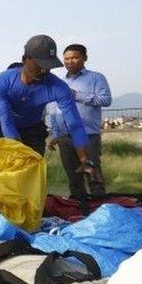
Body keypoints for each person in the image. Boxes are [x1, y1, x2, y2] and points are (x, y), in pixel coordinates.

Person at [0, 35, 100, 182]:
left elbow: (75, 124)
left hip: (34, 131)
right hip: (3, 130)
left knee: (31, 177)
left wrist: (84, 159)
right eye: (39, 65)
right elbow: (6, 121)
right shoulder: (1, 82)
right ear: (25, 59)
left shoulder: (58, 87)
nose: (44, 71)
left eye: (49, 66)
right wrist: (19, 155)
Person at [46, 43, 112, 201]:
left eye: (75, 57)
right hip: (65, 138)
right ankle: (78, 213)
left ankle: (100, 211)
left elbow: (106, 99)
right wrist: (55, 133)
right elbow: (53, 109)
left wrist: (77, 95)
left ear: (85, 58)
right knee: (74, 180)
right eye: (67, 58)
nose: (70, 61)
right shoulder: (59, 82)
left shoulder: (96, 78)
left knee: (94, 177)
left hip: (88, 136)